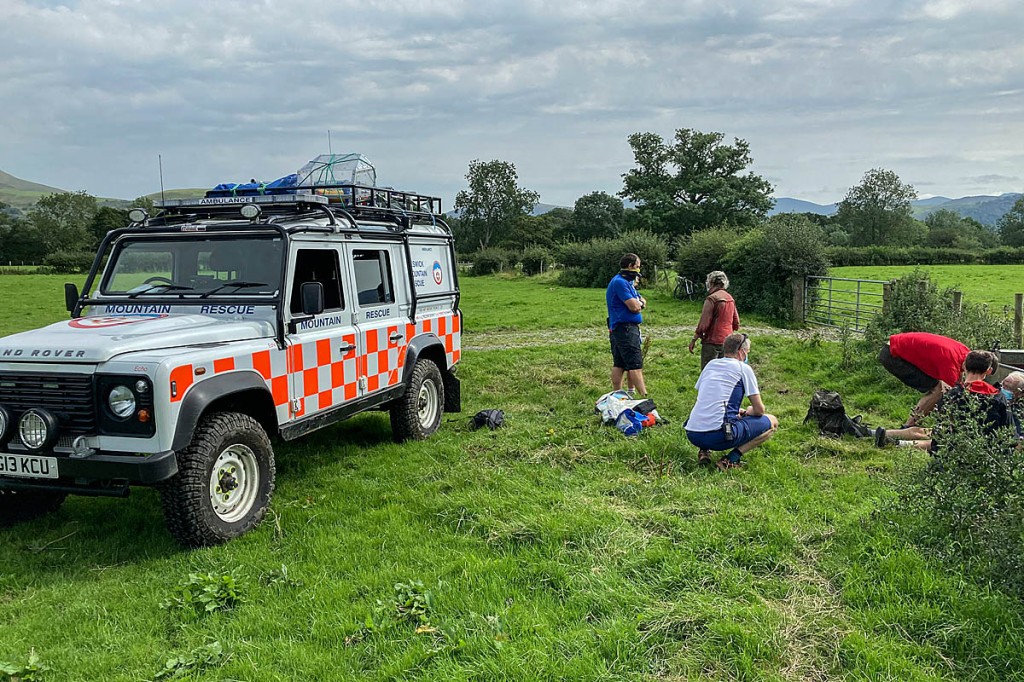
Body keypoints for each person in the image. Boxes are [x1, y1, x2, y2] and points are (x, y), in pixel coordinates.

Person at [874, 351, 1013, 449]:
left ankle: (891, 439)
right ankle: (895, 441)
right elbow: (1008, 428)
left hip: (953, 445)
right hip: (987, 447)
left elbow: (944, 425)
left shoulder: (952, 394)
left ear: (964, 366)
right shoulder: (997, 397)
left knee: (935, 436)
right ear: (989, 370)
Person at [685, 333, 778, 469]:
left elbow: (710, 397)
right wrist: (747, 411)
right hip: (719, 435)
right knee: (772, 422)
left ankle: (704, 451)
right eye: (747, 352)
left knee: (710, 412)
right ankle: (730, 460)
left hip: (692, 432)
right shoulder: (743, 369)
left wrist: (734, 412)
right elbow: (759, 410)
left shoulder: (711, 364)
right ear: (741, 352)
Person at [879, 331, 969, 427]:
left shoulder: (965, 352)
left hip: (894, 347)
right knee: (938, 390)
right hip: (893, 355)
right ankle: (909, 427)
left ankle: (914, 425)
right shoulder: (950, 364)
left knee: (941, 389)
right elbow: (953, 393)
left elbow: (959, 382)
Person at [606, 253, 647, 397]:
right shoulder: (620, 283)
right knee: (635, 364)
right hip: (625, 328)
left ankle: (621, 394)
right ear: (630, 266)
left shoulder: (627, 283)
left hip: (621, 327)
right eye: (637, 266)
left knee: (620, 364)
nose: (638, 269)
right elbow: (634, 306)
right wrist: (641, 303)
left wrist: (639, 302)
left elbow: (640, 299)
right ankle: (644, 396)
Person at [688, 270, 740, 369]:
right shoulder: (730, 298)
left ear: (711, 282)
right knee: (723, 372)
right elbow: (736, 322)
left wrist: (694, 339)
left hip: (712, 341)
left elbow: (703, 325)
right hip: (727, 341)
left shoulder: (711, 299)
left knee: (709, 371)